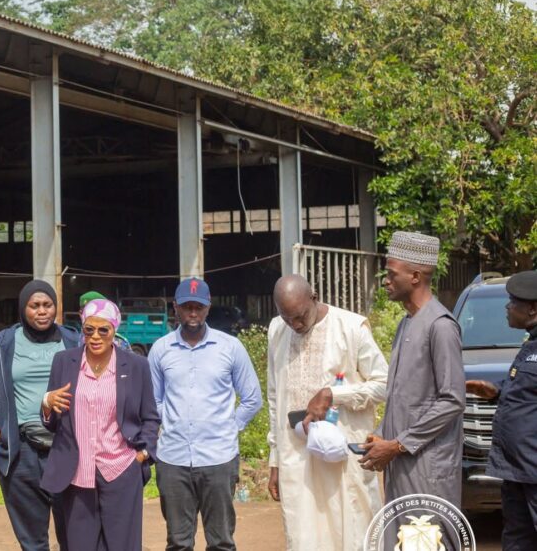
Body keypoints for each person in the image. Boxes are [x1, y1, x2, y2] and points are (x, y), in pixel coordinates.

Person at [267, 275, 388, 551]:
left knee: (354, 534)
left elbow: (384, 385)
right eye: (288, 319)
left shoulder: (350, 328)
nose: (295, 325)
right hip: (295, 460)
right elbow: (275, 398)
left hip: (342, 460)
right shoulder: (276, 331)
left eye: (300, 316)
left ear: (315, 297)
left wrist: (334, 394)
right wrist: (275, 460)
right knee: (303, 538)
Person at [148, 277, 262, 551]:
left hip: (218, 459)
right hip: (173, 460)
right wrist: (171, 423)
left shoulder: (230, 347)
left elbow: (252, 398)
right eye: (186, 306)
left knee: (221, 541)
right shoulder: (160, 350)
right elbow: (154, 400)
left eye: (198, 307)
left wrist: (229, 427)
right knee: (178, 542)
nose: (193, 313)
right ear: (175, 308)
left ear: (208, 307)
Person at [41, 298, 159, 550]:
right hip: (76, 472)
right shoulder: (64, 362)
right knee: (79, 545)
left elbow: (150, 417)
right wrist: (47, 402)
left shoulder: (136, 366)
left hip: (121, 469)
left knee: (122, 545)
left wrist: (142, 455)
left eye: (103, 329)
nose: (95, 336)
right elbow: (52, 422)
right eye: (88, 330)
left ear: (115, 329)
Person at [360, 231, 464, 512]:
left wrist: (398, 445)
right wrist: (382, 436)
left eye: (392, 274)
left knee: (426, 538)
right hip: (402, 464)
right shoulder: (406, 323)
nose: (386, 281)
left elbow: (452, 400)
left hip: (428, 469)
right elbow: (405, 397)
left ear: (415, 277)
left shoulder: (440, 326)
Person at [0, 279, 80, 550]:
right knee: (33, 542)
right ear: (24, 309)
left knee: (75, 535)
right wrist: (0, 445)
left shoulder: (71, 340)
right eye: (35, 306)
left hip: (66, 448)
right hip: (22, 454)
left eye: (48, 305)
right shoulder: (4, 344)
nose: (42, 311)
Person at [466, 270, 537, 550]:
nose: (507, 308)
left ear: (532, 308)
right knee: (517, 537)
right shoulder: (529, 345)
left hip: (533, 467)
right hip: (516, 468)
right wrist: (496, 390)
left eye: (513, 302)